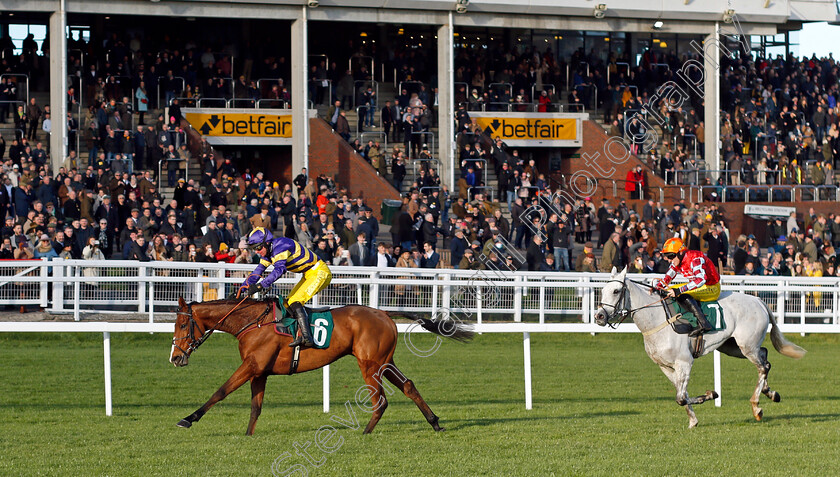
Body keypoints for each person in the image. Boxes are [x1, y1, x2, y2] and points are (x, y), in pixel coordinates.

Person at [239, 227, 332, 348]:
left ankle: (307, 337)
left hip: (320, 272)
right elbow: (258, 271)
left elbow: (279, 270)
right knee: (287, 303)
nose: (257, 251)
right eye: (254, 248)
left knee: (295, 301)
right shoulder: (268, 252)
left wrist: (260, 285)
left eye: (258, 247)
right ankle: (296, 334)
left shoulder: (281, 245)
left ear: (266, 243)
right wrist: (241, 289)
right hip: (308, 274)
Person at [653, 237, 720, 337]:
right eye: (667, 256)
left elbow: (701, 280)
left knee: (681, 293)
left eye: (671, 256)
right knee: (668, 291)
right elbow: (668, 276)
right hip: (700, 286)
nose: (669, 260)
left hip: (711, 287)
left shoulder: (695, 259)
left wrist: (679, 290)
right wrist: (658, 287)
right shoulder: (677, 260)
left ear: (680, 252)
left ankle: (703, 323)